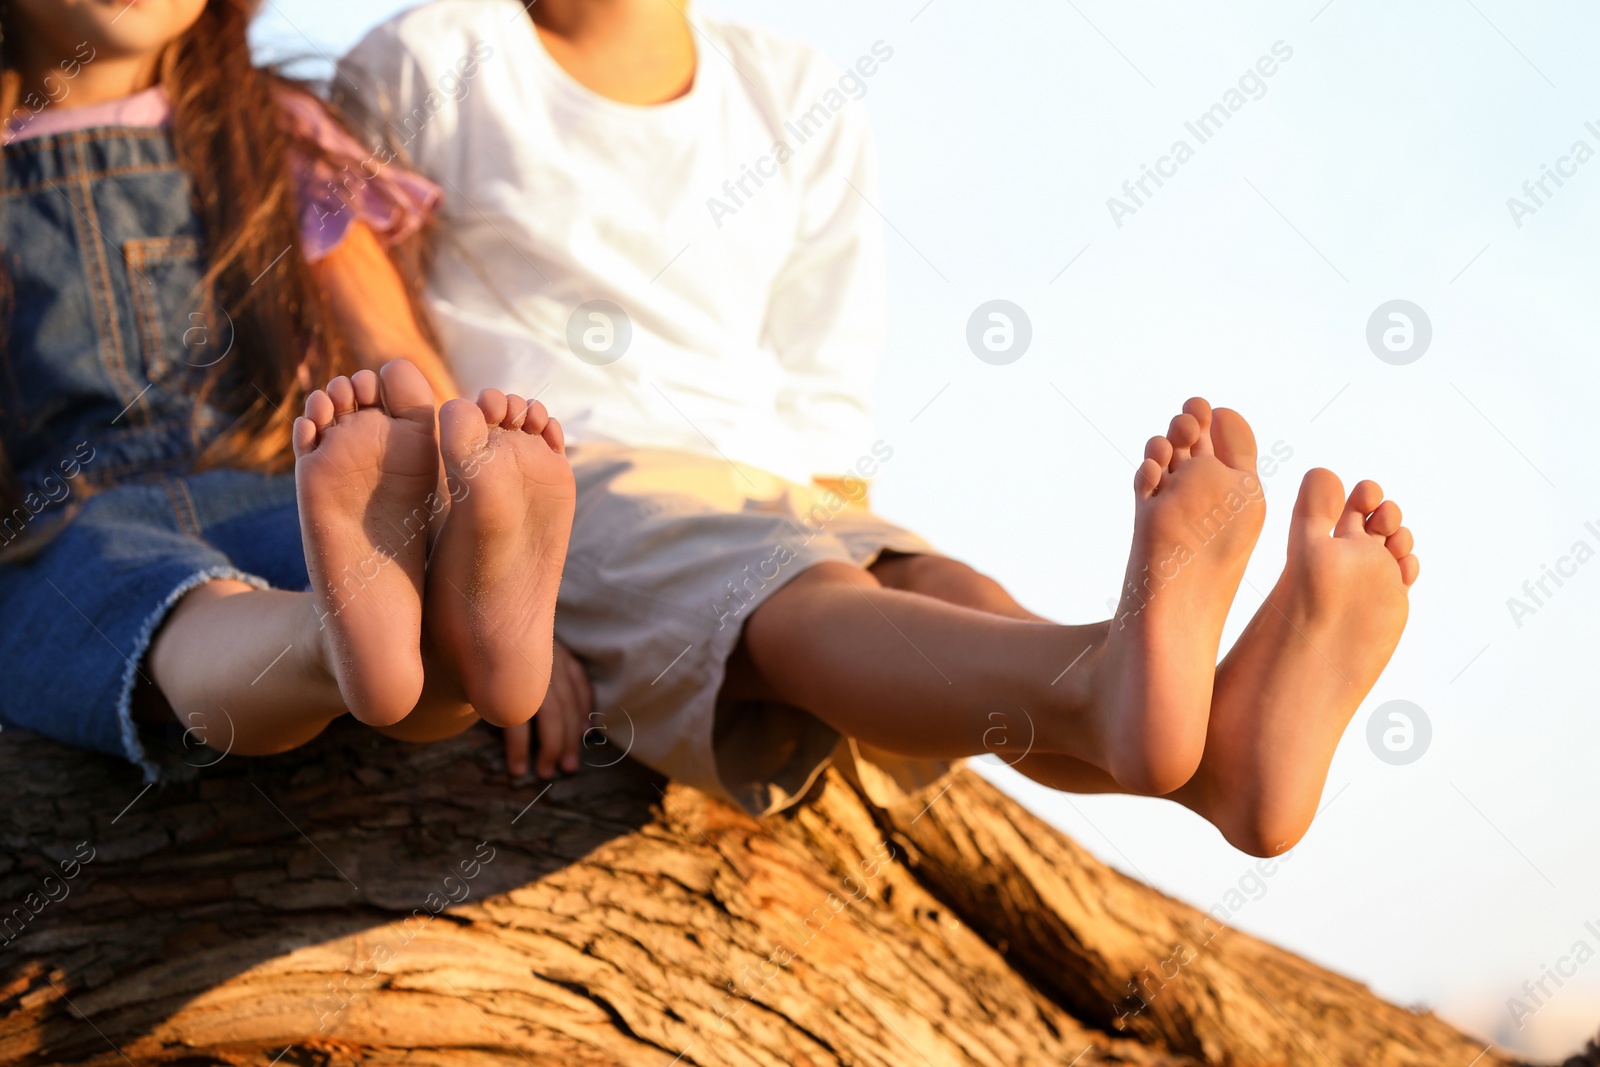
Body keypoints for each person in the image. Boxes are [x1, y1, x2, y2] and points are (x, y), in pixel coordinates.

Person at [340, 0, 1419, 856]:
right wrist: (486, 582)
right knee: (799, 599)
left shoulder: (792, 93)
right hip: (567, 476)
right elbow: (370, 327)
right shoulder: (427, 59)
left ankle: (1213, 763)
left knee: (935, 584)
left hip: (757, 469)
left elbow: (820, 365)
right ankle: (1127, 698)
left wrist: (840, 520)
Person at [0, 0, 574, 778]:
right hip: (59, 525)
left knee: (366, 572)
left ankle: (469, 624)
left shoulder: (267, 133)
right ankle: (335, 634)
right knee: (159, 598)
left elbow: (389, 346)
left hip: (289, 488)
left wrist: (459, 479)